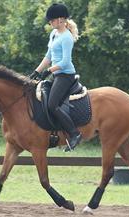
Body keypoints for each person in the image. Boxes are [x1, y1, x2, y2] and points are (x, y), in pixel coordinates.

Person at [29, 3, 82, 151]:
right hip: (57, 74)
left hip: (66, 75)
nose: (50, 22)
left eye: (51, 20)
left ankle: (74, 133)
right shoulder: (54, 34)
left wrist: (49, 71)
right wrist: (37, 71)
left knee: (52, 104)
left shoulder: (67, 38)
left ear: (60, 19)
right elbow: (49, 56)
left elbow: (65, 61)